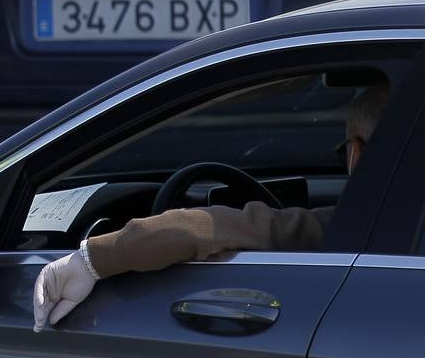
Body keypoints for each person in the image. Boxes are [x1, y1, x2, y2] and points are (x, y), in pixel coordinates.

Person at [33, 84, 387, 331]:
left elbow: (196, 229)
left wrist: (91, 260)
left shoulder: (352, 227)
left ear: (355, 154)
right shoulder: (400, 226)